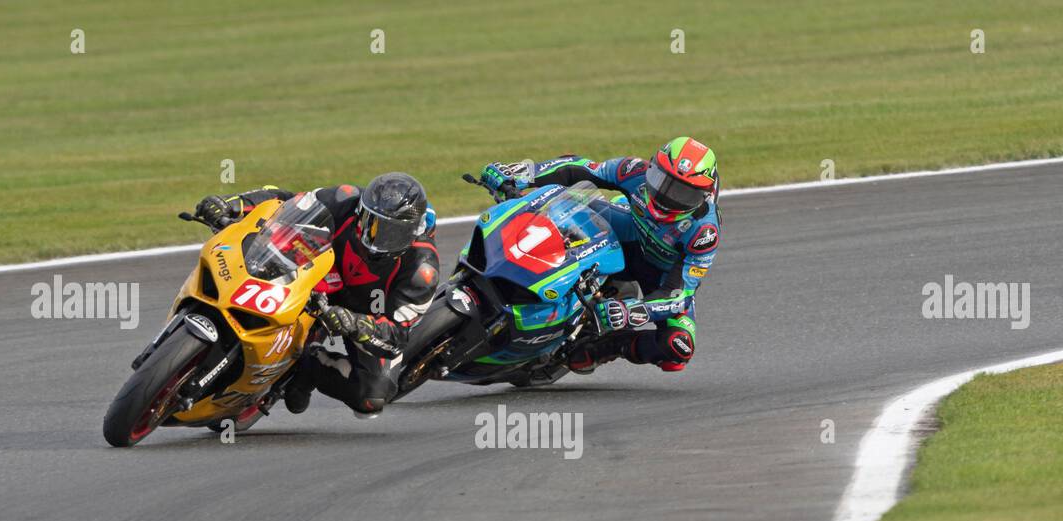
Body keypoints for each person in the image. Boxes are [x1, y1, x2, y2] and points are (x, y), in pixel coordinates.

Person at [193, 172, 440, 416]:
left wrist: (356, 324)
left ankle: (310, 364)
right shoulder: (345, 198)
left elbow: (396, 337)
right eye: (370, 222)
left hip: (361, 314)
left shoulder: (422, 269)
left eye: (390, 232)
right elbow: (284, 201)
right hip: (315, 273)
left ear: (411, 233)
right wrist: (232, 204)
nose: (374, 235)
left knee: (373, 395)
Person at [479, 136, 719, 374]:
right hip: (623, 230)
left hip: (660, 277)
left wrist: (633, 310)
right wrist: (522, 174)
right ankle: (514, 257)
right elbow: (579, 168)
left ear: (703, 196)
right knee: (565, 200)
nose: (666, 196)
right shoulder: (634, 171)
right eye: (661, 180)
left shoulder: (704, 232)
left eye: (682, 193)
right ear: (652, 167)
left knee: (678, 349)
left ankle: (608, 347)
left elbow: (680, 294)